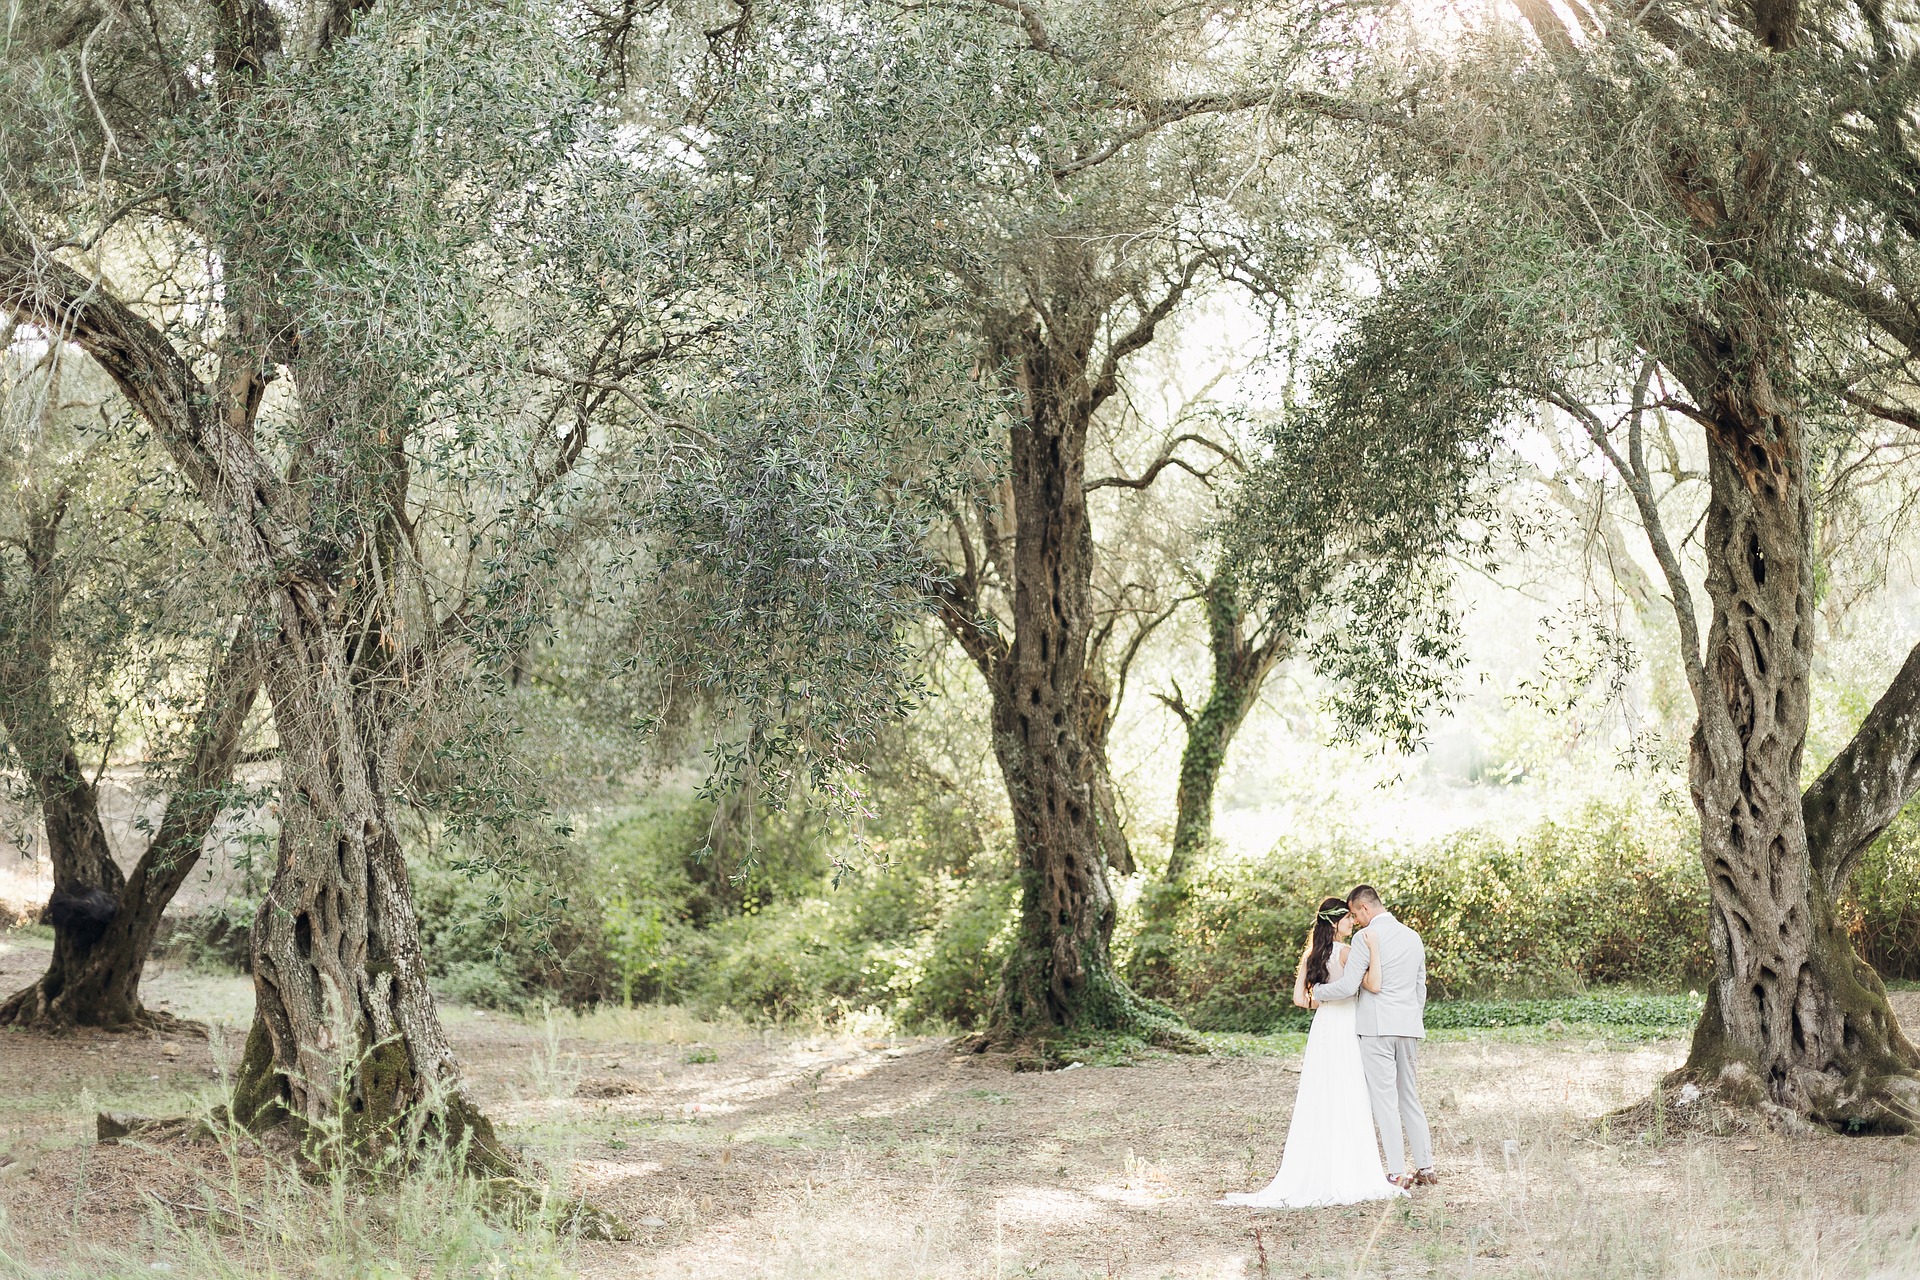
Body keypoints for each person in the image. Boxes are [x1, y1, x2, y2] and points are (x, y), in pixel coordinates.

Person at [1217, 897, 1405, 1208]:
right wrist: (1373, 950)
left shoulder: (1311, 955)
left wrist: (1325, 1001)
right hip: (1346, 1025)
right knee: (1349, 1091)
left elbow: (1301, 1000)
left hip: (1323, 1026)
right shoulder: (1347, 951)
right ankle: (1350, 1167)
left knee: (1322, 1093)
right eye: (1347, 919)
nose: (1353, 923)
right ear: (1335, 922)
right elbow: (1374, 984)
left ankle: (1319, 1165)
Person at [1311, 884, 1436, 1191]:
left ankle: (1396, 1173)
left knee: (1384, 1101)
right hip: (1408, 1026)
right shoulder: (1413, 936)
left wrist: (1316, 991)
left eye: (1354, 914)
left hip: (1377, 1028)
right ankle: (1426, 1166)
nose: (1355, 920)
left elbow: (1349, 986)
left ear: (1364, 909)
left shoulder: (1365, 938)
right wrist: (1411, 1017)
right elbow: (1420, 987)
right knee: (1409, 1096)